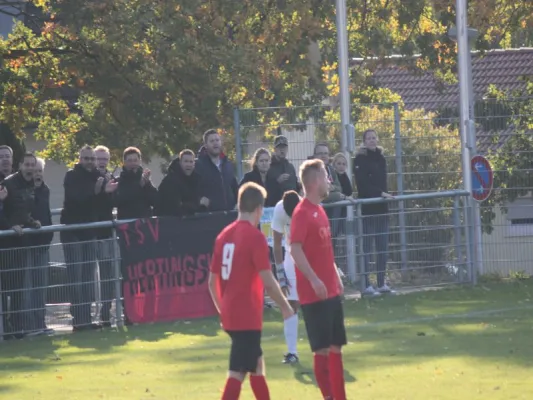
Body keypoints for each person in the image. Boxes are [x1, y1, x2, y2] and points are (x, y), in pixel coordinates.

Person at [208, 182, 294, 400]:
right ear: (258, 210)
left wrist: (222, 310)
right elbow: (267, 279)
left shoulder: (223, 236)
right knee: (237, 372)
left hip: (232, 314)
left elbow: (211, 282)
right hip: (246, 316)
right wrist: (285, 306)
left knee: (256, 365)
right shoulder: (254, 238)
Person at [290, 158, 347, 400]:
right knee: (322, 350)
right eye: (325, 176)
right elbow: (295, 249)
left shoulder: (320, 210)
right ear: (314, 182)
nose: (329, 180)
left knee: (336, 348)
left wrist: (335, 274)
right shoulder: (302, 212)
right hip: (314, 295)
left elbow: (325, 249)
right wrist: (314, 280)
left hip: (331, 290)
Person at [60, 145, 118, 331]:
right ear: (79, 159)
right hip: (73, 232)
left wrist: (107, 192)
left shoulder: (99, 177)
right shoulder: (71, 175)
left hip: (90, 233)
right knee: (76, 278)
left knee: (88, 278)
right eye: (86, 158)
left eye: (92, 159)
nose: (90, 162)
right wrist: (96, 191)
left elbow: (103, 205)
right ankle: (79, 319)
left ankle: (86, 319)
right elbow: (75, 200)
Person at [0, 152, 41, 338]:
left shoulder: (30, 184)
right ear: (21, 165)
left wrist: (32, 222)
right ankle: (5, 328)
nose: (30, 168)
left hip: (21, 242)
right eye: (27, 164)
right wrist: (9, 227)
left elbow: (24, 211)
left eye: (33, 164)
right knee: (4, 288)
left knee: (17, 287)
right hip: (6, 244)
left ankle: (16, 328)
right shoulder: (7, 183)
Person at [353, 129, 393, 296]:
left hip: (382, 209)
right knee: (367, 249)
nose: (371, 140)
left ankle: (381, 282)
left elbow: (382, 181)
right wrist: (380, 194)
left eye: (374, 137)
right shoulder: (359, 159)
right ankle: (366, 284)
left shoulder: (381, 158)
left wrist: (384, 195)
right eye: (368, 138)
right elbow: (362, 185)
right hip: (368, 209)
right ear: (364, 141)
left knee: (382, 247)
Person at [271, 190, 301, 364]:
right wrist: (281, 275)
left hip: (308, 253)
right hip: (291, 253)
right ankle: (292, 352)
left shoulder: (306, 208)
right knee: (291, 303)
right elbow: (276, 244)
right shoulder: (279, 209)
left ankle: (325, 349)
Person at [28, 157, 54, 335]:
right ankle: (27, 325)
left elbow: (46, 214)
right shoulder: (23, 190)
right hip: (27, 245)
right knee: (27, 288)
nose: (37, 174)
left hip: (43, 244)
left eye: (39, 171)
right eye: (34, 171)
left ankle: (40, 323)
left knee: (40, 287)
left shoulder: (46, 190)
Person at [93, 145, 117, 326]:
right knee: (86, 275)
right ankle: (84, 316)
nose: (102, 162)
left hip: (106, 233)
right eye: (99, 158)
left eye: (105, 159)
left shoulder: (112, 178)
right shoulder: (86, 177)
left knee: (108, 275)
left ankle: (105, 313)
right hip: (88, 233)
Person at [156, 149, 209, 217]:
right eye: (186, 161)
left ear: (194, 164)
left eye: (191, 162)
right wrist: (198, 204)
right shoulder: (170, 180)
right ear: (180, 163)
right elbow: (174, 208)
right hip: (170, 222)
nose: (188, 164)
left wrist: (202, 206)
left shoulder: (198, 179)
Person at [196, 129, 239, 212]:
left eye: (217, 140)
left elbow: (234, 187)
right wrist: (199, 201)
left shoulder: (227, 164)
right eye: (212, 141)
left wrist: (238, 203)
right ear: (206, 145)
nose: (215, 143)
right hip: (210, 217)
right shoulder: (198, 166)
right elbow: (193, 190)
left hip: (229, 214)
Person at [116, 147, 158, 220]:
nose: (133, 163)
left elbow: (155, 201)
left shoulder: (145, 180)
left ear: (140, 161)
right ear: (124, 162)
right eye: (130, 160)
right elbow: (117, 201)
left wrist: (147, 185)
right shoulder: (118, 181)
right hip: (126, 225)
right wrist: (138, 187)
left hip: (145, 224)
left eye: (135, 160)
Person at [266, 135, 299, 205]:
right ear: (274, 149)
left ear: (287, 149)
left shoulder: (290, 167)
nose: (282, 150)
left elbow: (296, 186)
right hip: (275, 206)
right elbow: (266, 189)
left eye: (284, 147)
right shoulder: (268, 167)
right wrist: (277, 182)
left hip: (292, 206)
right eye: (279, 147)